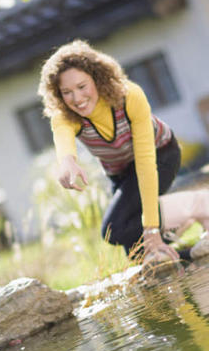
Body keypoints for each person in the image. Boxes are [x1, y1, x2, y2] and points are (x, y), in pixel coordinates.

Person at [38, 39, 185, 263]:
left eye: (81, 86)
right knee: (138, 255)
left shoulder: (129, 97)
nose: (77, 99)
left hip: (160, 155)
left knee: (114, 230)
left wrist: (152, 226)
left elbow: (145, 162)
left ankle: (184, 211)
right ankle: (184, 254)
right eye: (66, 92)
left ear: (96, 78)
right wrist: (66, 160)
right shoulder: (66, 114)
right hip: (120, 172)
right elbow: (62, 133)